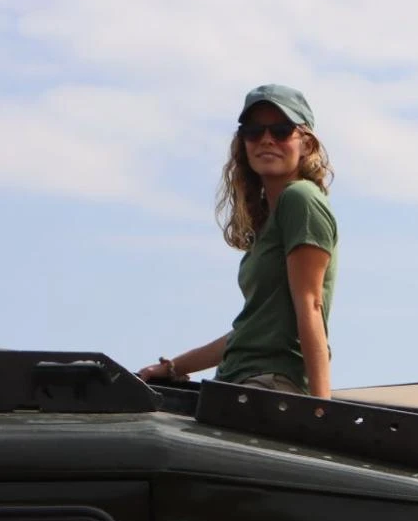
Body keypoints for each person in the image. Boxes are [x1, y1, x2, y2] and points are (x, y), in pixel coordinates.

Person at [140, 84, 337, 398]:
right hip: (237, 379)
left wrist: (322, 409)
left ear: (307, 144)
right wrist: (172, 367)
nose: (266, 140)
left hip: (269, 382)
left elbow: (311, 305)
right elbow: (249, 333)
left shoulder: (301, 200)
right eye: (254, 131)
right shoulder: (270, 221)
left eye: (282, 130)